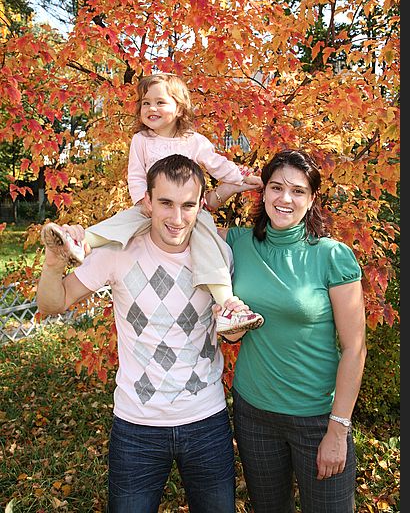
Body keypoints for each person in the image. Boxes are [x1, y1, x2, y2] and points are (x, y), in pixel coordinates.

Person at [36, 154, 257, 513]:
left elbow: (232, 336)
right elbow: (52, 303)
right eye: (166, 203)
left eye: (187, 205)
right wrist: (54, 261)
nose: (176, 217)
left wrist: (230, 328)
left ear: (201, 205)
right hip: (136, 426)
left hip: (206, 420)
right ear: (148, 202)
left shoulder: (220, 258)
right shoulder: (116, 253)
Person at [41, 72, 264, 335]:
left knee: (209, 246)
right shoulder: (142, 141)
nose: (151, 108)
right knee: (121, 223)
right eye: (146, 103)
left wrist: (243, 177)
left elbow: (218, 166)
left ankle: (227, 305)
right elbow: (135, 175)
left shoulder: (194, 141)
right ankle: (80, 242)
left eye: (160, 102)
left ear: (179, 108)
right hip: (148, 205)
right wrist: (140, 201)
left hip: (194, 212)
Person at [214, 149, 367, 513]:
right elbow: (183, 220)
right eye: (276, 187)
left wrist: (338, 429)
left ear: (312, 199)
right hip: (254, 414)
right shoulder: (238, 243)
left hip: (317, 418)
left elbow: (354, 349)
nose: (285, 198)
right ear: (263, 192)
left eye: (298, 191)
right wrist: (229, 186)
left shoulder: (332, 255)